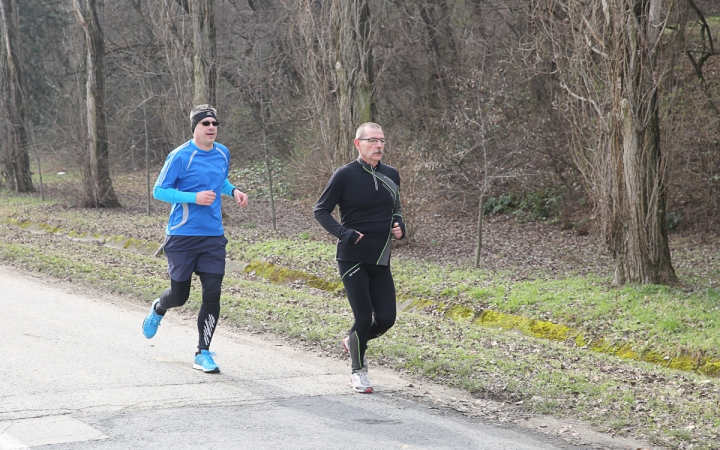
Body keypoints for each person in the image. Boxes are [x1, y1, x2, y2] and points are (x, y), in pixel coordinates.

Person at [142, 104, 248, 374]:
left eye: (215, 123)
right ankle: (158, 307)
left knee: (212, 294)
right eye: (205, 123)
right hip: (182, 236)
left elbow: (220, 181)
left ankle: (203, 351)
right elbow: (159, 191)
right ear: (195, 128)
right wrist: (194, 198)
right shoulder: (180, 156)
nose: (212, 127)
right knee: (180, 296)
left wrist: (233, 191)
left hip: (213, 237)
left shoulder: (223, 152)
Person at [314, 122, 405, 393]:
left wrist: (399, 224)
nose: (378, 146)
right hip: (352, 257)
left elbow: (396, 206)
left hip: (380, 258)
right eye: (372, 141)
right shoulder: (344, 175)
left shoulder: (392, 175)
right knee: (363, 317)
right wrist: (344, 233)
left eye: (382, 141)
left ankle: (353, 340)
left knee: (387, 318)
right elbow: (321, 211)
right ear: (358, 143)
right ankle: (358, 372)